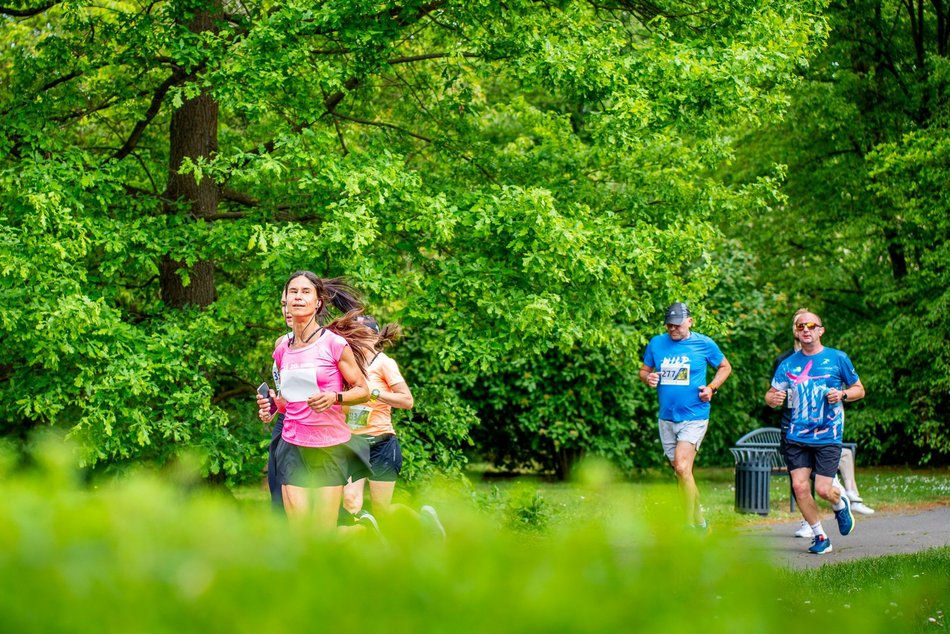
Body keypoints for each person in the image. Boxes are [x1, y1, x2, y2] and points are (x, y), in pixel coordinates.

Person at [256, 272, 377, 531]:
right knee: (300, 531)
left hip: (328, 445)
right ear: (285, 300)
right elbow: (288, 402)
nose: (298, 296)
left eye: (306, 292)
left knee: (322, 533)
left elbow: (363, 390)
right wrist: (271, 407)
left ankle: (361, 533)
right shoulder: (282, 348)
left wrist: (335, 397)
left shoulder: (334, 344)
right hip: (291, 443)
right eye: (293, 292)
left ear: (318, 302)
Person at [765, 310, 875, 540]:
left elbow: (859, 390)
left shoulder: (838, 358)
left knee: (824, 489)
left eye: (811, 325)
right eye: (800, 326)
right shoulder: (786, 364)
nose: (806, 329)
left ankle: (840, 503)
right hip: (796, 435)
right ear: (796, 332)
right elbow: (771, 394)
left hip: (827, 434)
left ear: (820, 330)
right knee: (799, 487)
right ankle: (819, 536)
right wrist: (772, 399)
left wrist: (842, 394)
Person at [341, 315, 445, 538]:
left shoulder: (384, 363)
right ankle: (364, 549)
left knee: (383, 510)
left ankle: (426, 524)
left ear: (372, 335)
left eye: (357, 331)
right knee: (350, 502)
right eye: (350, 332)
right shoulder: (348, 365)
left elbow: (407, 401)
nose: (352, 337)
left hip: (382, 442)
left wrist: (375, 392)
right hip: (354, 443)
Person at [639, 302, 732, 530]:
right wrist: (647, 379)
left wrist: (712, 388)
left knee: (682, 467)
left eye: (677, 324)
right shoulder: (657, 343)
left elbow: (725, 367)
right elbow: (644, 370)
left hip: (694, 415)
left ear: (689, 321)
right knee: (681, 472)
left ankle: (688, 526)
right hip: (667, 417)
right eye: (669, 325)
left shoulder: (704, 343)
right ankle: (700, 521)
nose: (673, 329)